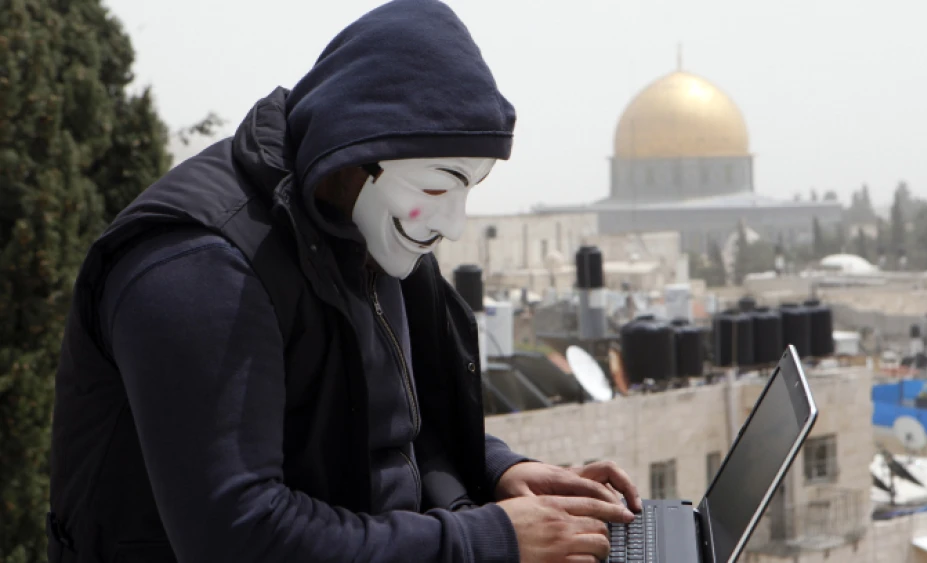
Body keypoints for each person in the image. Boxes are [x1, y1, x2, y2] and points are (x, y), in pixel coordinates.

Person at [47, 1, 641, 562]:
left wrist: (497, 472)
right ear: (352, 153)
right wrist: (482, 542)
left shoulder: (369, 231)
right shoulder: (200, 267)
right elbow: (238, 535)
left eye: (471, 187)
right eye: (437, 186)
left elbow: (397, 428)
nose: (452, 222)